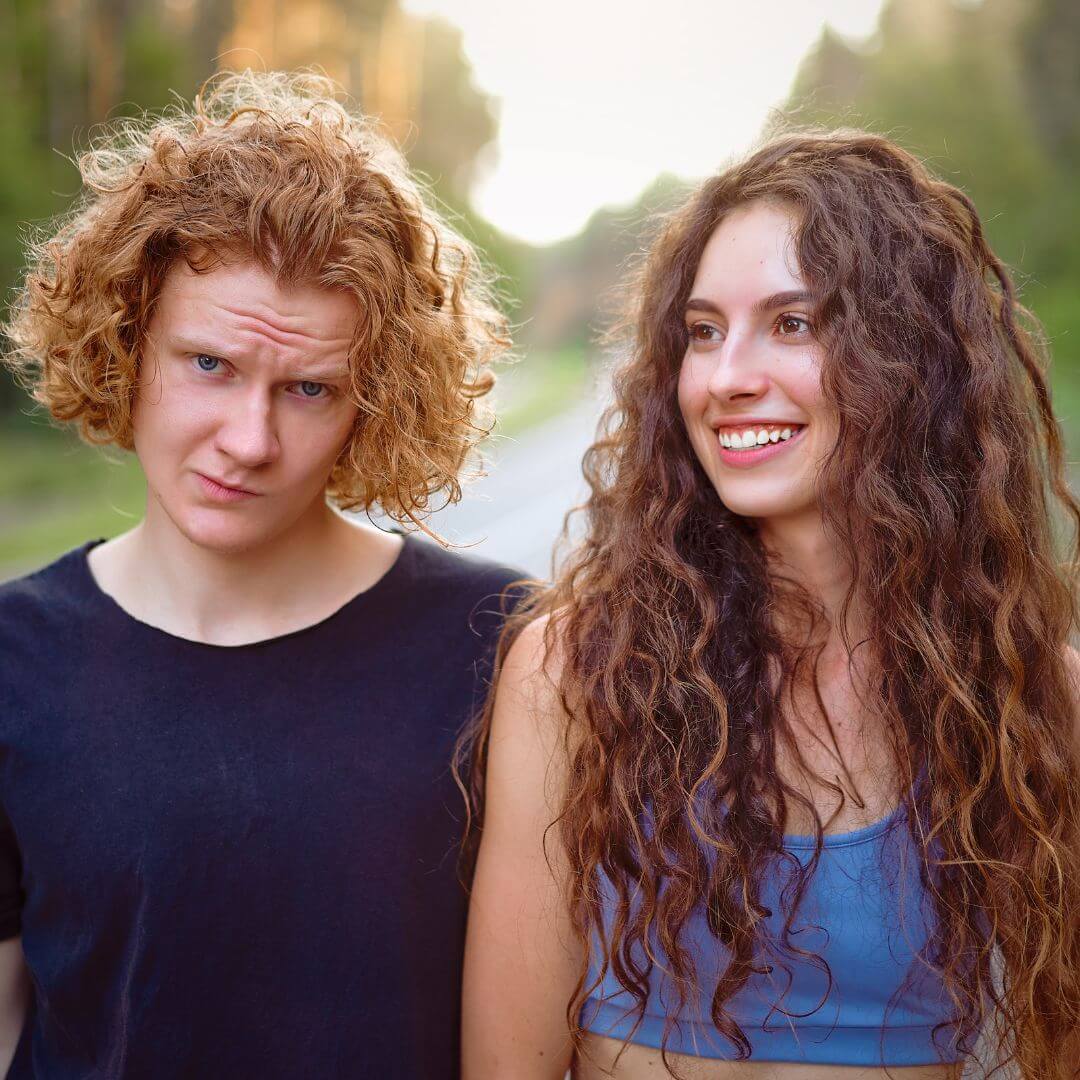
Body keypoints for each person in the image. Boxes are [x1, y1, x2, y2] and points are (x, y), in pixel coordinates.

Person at [462, 131, 1080, 1079]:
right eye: (703, 332)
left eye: (793, 323)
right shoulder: (577, 671)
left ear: (910, 357)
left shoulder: (1024, 689)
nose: (725, 377)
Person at [0, 70, 520, 1078]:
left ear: (371, 403)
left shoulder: (502, 646)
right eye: (208, 365)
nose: (248, 439)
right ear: (126, 341)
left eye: (309, 389)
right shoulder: (12, 658)